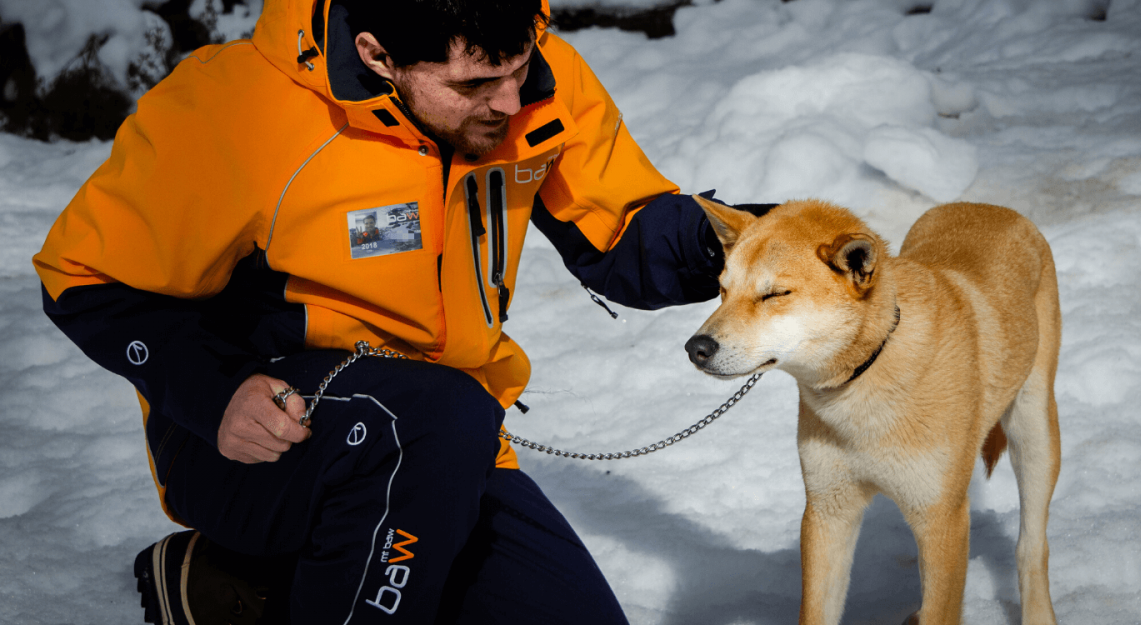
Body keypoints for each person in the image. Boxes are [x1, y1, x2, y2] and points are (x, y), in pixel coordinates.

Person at [34, 0, 734, 622]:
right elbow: (82, 274)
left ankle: (247, 589)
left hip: (451, 442)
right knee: (429, 420)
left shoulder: (532, 79)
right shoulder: (240, 104)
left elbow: (626, 238)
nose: (512, 100)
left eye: (520, 67)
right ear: (377, 55)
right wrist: (214, 391)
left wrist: (762, 243)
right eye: (475, 85)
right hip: (257, 438)